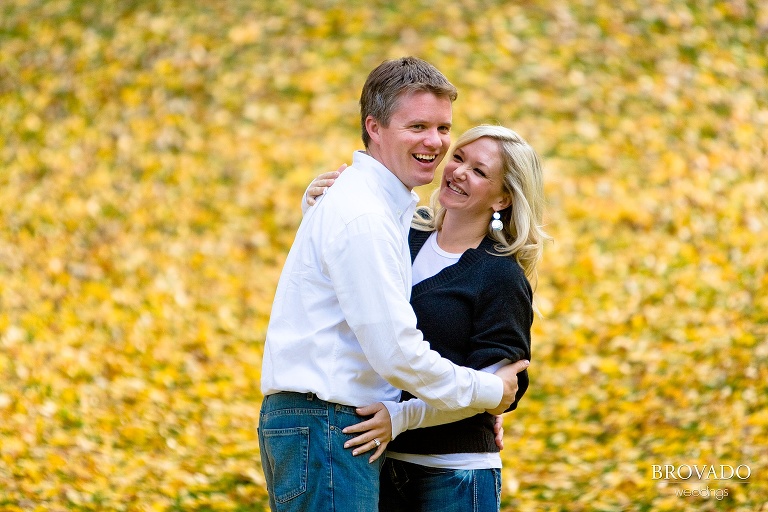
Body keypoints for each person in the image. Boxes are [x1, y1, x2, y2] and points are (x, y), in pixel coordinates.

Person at [258, 57, 528, 512]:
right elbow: (397, 353)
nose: (436, 144)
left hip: (357, 436)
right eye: (418, 126)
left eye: (443, 128)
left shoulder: (390, 217)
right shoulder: (371, 217)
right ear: (375, 127)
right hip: (331, 427)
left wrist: (470, 409)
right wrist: (487, 394)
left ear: (504, 195)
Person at [305, 124, 548, 511]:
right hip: (378, 464)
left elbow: (494, 392)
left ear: (503, 198)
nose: (458, 172)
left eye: (479, 171)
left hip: (454, 476)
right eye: (458, 158)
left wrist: (400, 418)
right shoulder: (402, 231)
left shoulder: (500, 276)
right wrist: (319, 204)